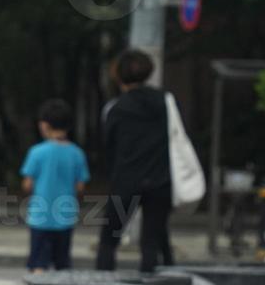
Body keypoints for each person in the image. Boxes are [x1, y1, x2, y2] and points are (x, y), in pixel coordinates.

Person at [97, 49, 177, 272]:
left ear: (119, 76)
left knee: (109, 239)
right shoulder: (165, 101)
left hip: (126, 182)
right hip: (161, 181)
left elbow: (108, 147)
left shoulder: (116, 108)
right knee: (151, 243)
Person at [21, 99, 90, 272]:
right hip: (65, 217)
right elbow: (80, 187)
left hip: (40, 216)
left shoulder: (37, 152)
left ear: (44, 125)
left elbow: (27, 184)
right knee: (62, 264)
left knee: (38, 264)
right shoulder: (77, 153)